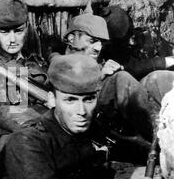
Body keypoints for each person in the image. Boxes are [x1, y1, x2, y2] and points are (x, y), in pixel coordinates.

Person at [3, 54, 159, 179]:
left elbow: (126, 148)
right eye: (70, 100)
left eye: (89, 99)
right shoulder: (27, 142)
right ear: (52, 99)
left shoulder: (90, 128)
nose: (81, 112)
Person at [62, 11, 174, 153]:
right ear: (71, 39)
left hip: (116, 109)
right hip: (92, 113)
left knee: (159, 78)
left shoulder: (94, 55)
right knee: (122, 79)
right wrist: (100, 76)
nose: (98, 47)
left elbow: (134, 66)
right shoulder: (61, 63)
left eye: (100, 42)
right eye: (91, 41)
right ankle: (165, 138)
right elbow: (69, 91)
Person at [0, 0, 49, 159]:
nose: (12, 39)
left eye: (18, 31)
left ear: (27, 28)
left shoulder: (36, 61)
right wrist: (46, 122)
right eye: (4, 31)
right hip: (13, 134)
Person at [98, 5, 174, 80]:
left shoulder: (146, 35)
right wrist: (163, 62)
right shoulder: (110, 52)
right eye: (126, 40)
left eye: (131, 32)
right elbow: (135, 68)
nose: (132, 42)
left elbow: (166, 48)